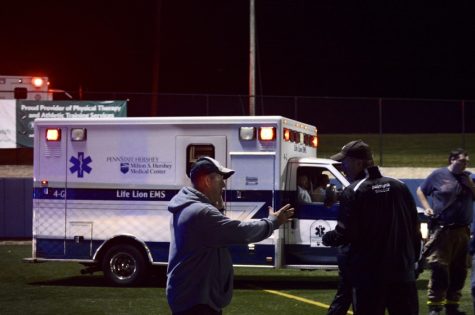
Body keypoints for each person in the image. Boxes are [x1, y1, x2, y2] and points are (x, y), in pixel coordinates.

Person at [166, 156, 295, 315]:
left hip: (191, 296)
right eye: (220, 179)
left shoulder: (191, 207)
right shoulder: (201, 212)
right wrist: (273, 222)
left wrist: (218, 209)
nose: (224, 184)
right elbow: (240, 232)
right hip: (197, 301)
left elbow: (213, 235)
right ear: (207, 180)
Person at [322, 139, 421, 315]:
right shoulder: (399, 186)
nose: (343, 168)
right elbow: (415, 228)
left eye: (344, 163)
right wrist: (412, 262)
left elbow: (346, 233)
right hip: (403, 274)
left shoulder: (354, 190)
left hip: (370, 277)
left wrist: (328, 237)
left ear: (358, 163)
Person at [416, 148, 475, 315]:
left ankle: (452, 305)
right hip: (443, 231)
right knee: (439, 268)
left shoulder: (469, 177)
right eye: (462, 161)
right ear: (452, 160)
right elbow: (421, 190)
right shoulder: (438, 175)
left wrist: (470, 185)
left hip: (462, 231)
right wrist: (427, 208)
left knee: (459, 270)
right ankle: (435, 306)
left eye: (467, 162)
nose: (465, 164)